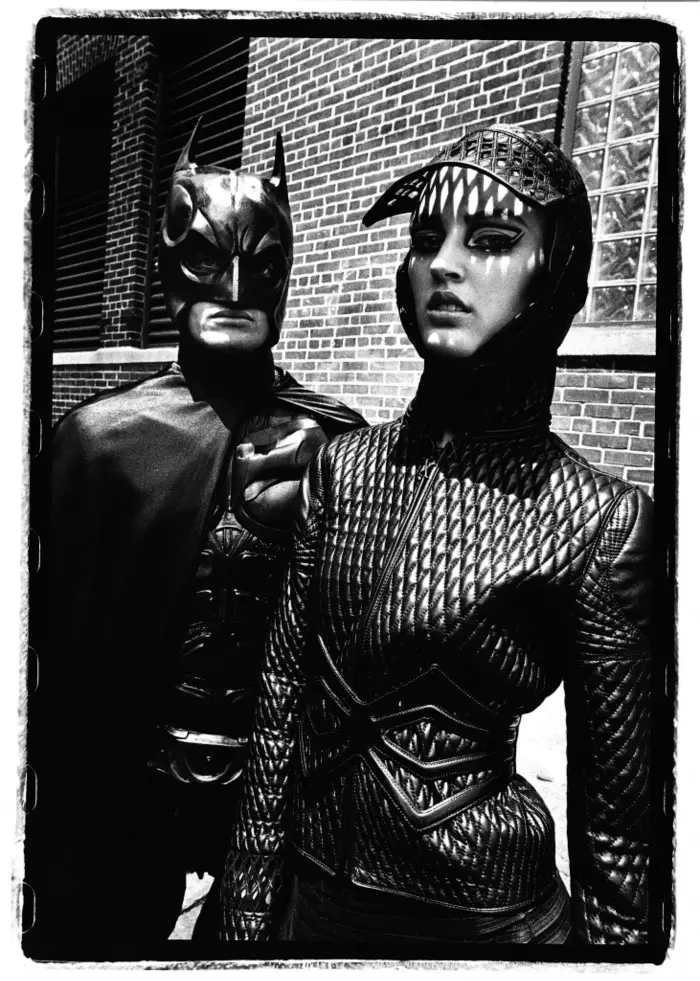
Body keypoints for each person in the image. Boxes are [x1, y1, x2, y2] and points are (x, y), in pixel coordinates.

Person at [219, 125, 653, 946]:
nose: (444, 264)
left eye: (490, 240)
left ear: (556, 271)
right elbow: (280, 702)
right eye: (427, 238)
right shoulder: (344, 467)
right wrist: (244, 910)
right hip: (308, 903)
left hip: (478, 921)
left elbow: (621, 840)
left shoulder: (598, 518)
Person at [33, 119, 365, 953]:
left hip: (274, 798)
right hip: (130, 794)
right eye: (209, 259)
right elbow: (59, 655)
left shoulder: (337, 442)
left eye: (262, 264)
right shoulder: (100, 443)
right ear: (168, 272)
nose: (237, 286)